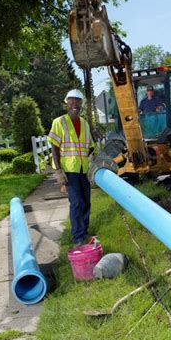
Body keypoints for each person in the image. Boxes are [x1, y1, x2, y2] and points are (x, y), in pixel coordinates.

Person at [47, 89, 95, 246]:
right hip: (68, 171)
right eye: (71, 101)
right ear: (67, 103)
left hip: (83, 170)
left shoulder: (85, 123)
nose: (74, 104)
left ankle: (84, 232)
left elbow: (91, 146)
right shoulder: (59, 122)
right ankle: (78, 238)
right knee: (76, 203)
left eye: (78, 101)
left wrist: (92, 158)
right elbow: (54, 147)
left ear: (81, 104)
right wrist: (58, 171)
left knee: (86, 202)